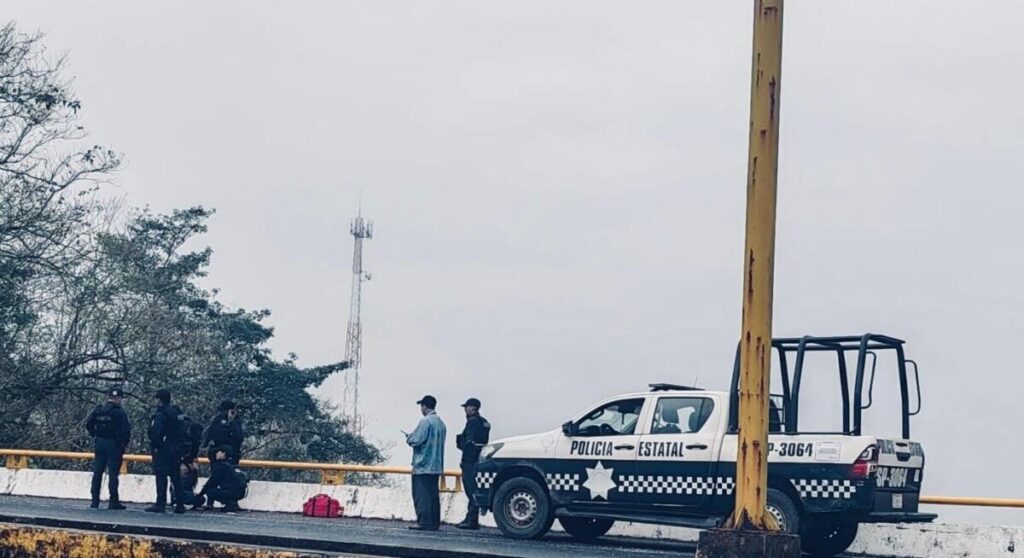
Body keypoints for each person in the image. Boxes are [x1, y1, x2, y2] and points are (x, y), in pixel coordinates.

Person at [405, 395, 446, 531]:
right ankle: (434, 523)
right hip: (436, 465)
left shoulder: (425, 422)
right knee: (433, 495)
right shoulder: (441, 423)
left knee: (421, 495)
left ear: (424, 406)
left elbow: (416, 440)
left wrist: (409, 437)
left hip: (423, 465)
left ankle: (423, 522)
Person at [85, 386, 131, 510]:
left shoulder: (99, 410)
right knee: (113, 474)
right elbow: (126, 430)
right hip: (114, 445)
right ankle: (113, 501)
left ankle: (95, 501)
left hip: (100, 443)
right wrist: (123, 444)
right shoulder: (119, 412)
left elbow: (88, 424)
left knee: (97, 472)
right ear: (118, 398)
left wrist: (96, 435)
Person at [146, 388, 186, 514]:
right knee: (175, 476)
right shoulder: (176, 414)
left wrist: (157, 445)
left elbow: (155, 432)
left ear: (160, 400)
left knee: (161, 475)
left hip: (163, 449)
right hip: (176, 448)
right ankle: (180, 504)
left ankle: (160, 503)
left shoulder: (160, 415)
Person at [455, 397, 490, 530]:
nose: (465, 410)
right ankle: (470, 518)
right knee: (474, 489)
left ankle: (471, 520)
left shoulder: (472, 422)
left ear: (473, 408)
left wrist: (464, 458)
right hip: (479, 459)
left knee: (470, 489)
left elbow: (469, 443)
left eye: (466, 407)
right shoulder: (483, 422)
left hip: (470, 461)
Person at [194, 445, 247, 512]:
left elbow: (211, 483)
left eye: (218, 452)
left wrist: (200, 495)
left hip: (231, 492)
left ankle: (230, 503)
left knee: (210, 491)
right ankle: (232, 502)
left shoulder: (220, 466)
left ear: (223, 454)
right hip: (240, 492)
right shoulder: (229, 465)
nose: (216, 453)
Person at [202, 400, 245, 464]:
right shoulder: (218, 419)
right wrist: (205, 446)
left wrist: (231, 421)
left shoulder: (236, 421)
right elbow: (210, 433)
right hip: (216, 452)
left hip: (230, 454)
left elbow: (239, 436)